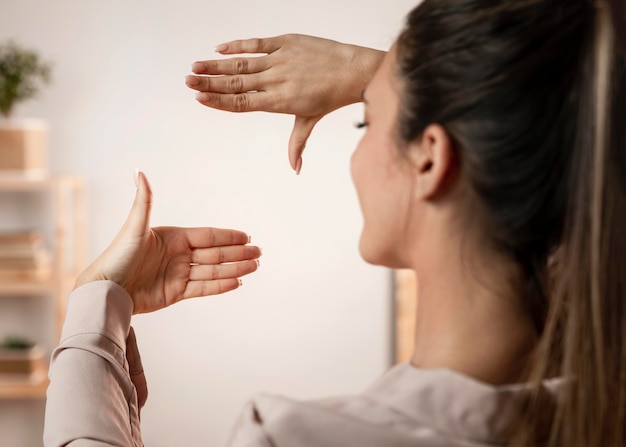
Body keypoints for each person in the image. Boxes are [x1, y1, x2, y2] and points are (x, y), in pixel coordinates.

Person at [44, 1, 626, 446]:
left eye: (363, 123)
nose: (356, 152)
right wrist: (387, 79)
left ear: (429, 157)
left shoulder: (299, 437)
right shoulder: (599, 412)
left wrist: (95, 310)